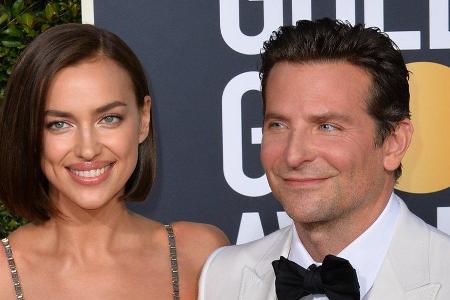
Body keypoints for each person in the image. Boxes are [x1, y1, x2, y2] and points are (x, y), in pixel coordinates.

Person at [198, 18, 450, 300]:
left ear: (394, 142)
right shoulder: (222, 277)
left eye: (327, 127)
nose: (294, 155)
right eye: (278, 125)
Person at [0, 23, 228, 300]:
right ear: (29, 133)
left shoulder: (198, 255)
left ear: (143, 120)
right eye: (59, 124)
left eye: (109, 119)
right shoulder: (4, 273)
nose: (88, 149)